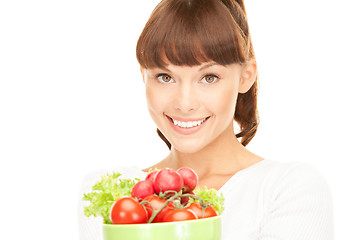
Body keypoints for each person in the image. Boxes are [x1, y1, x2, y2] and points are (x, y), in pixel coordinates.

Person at [78, 0, 333, 239]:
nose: (185, 103)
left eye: (208, 77)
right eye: (165, 77)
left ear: (246, 76)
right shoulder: (110, 195)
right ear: (143, 76)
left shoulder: (288, 189)